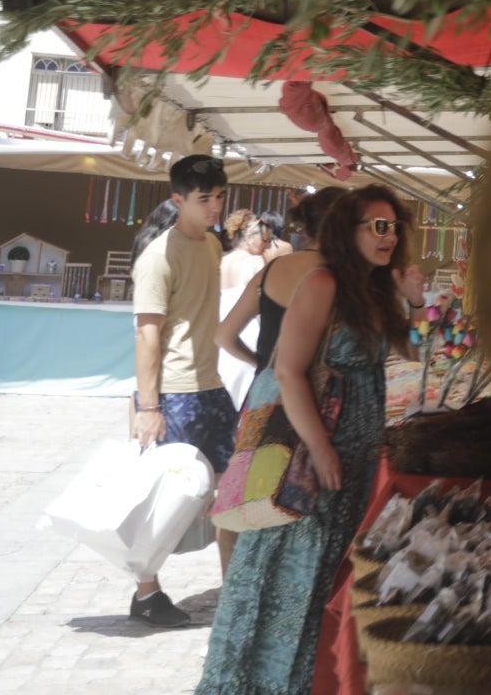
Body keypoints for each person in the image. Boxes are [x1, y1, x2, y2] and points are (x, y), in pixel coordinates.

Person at [197, 185, 425, 695]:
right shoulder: (322, 281)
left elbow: (411, 353)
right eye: (377, 226)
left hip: (355, 451)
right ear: (348, 230)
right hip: (312, 448)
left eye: (395, 227)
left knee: (323, 570)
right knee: (286, 566)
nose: (389, 237)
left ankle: (308, 680)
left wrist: (415, 303)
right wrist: (320, 446)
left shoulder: (371, 288)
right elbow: (289, 369)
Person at [127, 154, 233, 628]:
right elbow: (147, 334)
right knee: (165, 501)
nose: (214, 206)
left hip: (212, 387)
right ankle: (146, 593)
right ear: (178, 200)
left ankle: (235, 589)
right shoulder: (157, 258)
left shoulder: (212, 245)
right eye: (204, 198)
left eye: (219, 196)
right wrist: (148, 407)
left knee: (232, 491)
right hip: (175, 394)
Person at [217, 187, 347, 401]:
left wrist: (261, 363)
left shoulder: (273, 268)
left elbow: (223, 336)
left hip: (265, 398)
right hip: (317, 399)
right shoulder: (340, 275)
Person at [218, 211, 270, 409]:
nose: (266, 246)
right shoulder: (255, 263)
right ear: (249, 237)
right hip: (247, 330)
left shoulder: (222, 261)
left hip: (221, 327)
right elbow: (261, 306)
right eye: (264, 241)